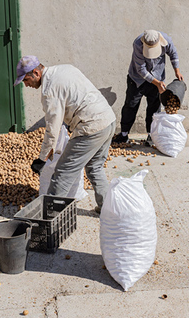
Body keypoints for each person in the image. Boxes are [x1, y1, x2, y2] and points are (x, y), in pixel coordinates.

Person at [14, 55, 116, 212]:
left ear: (36, 73)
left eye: (26, 80)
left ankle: (50, 215)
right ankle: (107, 210)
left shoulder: (49, 90)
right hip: (108, 119)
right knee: (95, 167)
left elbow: (52, 128)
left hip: (91, 127)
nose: (26, 85)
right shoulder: (65, 68)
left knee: (63, 173)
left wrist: (42, 158)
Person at [113, 30, 183, 145]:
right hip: (137, 80)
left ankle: (151, 135)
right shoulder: (137, 44)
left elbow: (173, 53)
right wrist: (158, 83)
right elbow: (141, 70)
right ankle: (124, 134)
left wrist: (177, 71)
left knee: (154, 108)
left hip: (157, 77)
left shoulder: (166, 40)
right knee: (131, 105)